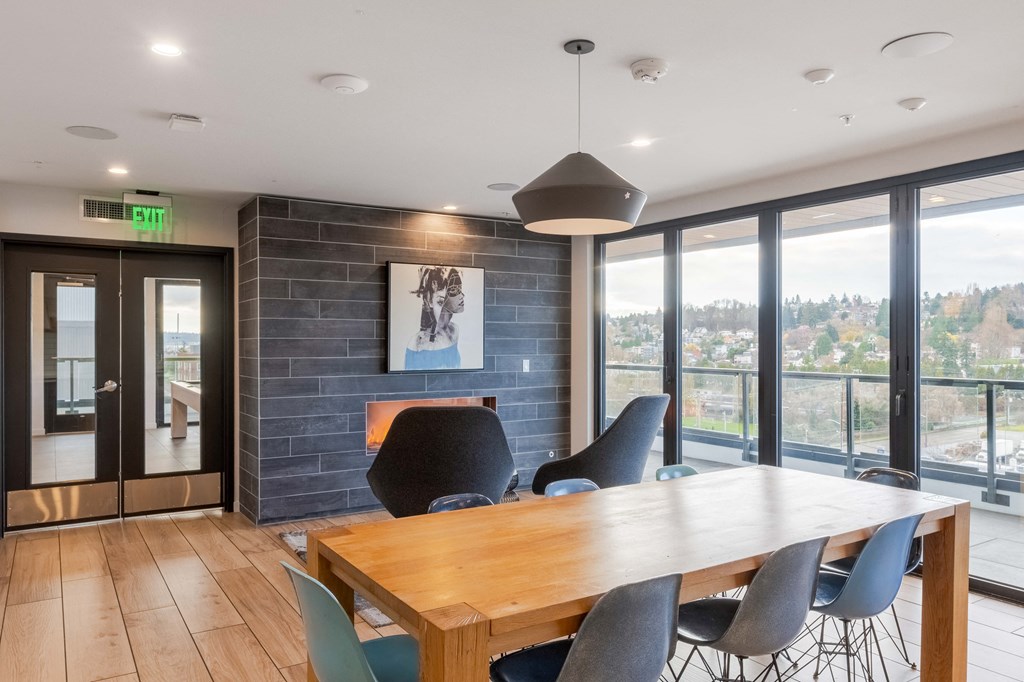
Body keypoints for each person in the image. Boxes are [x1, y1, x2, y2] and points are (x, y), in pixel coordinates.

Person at [405, 266, 463, 369]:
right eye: (440, 302)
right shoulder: (417, 343)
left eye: (450, 301)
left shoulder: (454, 331)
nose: (444, 311)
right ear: (429, 302)